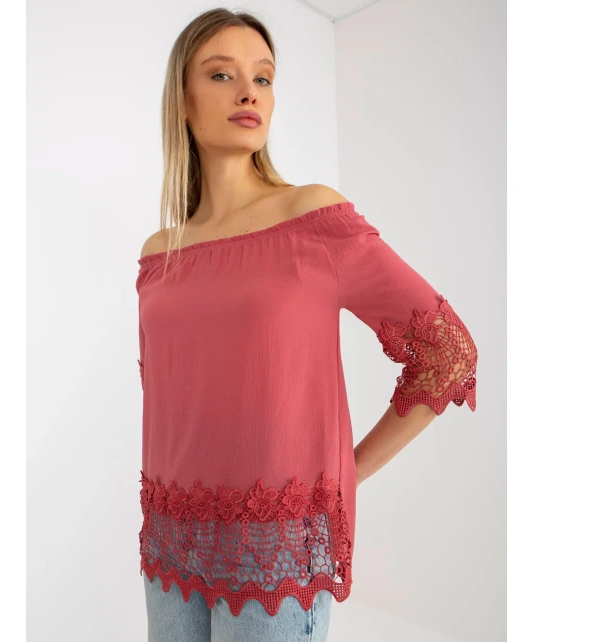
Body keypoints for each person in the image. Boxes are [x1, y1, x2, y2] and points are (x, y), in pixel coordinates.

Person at [136, 8, 478, 642]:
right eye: (222, 74)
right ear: (181, 100)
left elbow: (448, 353)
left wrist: (345, 473)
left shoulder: (313, 218)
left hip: (277, 555)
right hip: (171, 543)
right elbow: (169, 392)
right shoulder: (161, 253)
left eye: (263, 78)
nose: (248, 92)